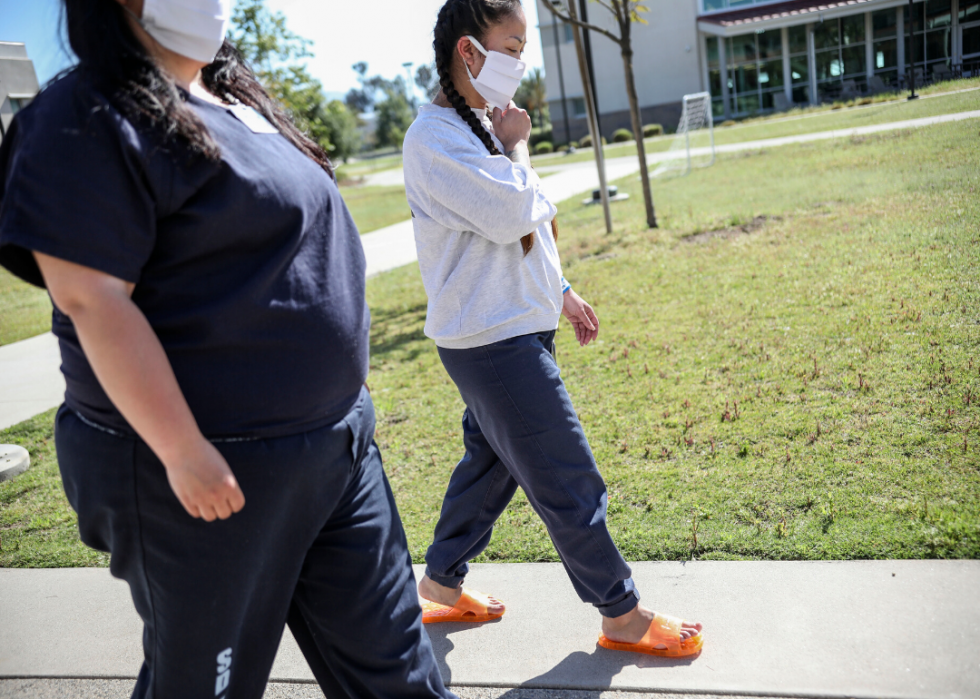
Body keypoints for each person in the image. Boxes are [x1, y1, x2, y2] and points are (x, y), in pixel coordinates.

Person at [0, 1, 456, 696]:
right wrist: (183, 449)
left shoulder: (236, 96)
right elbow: (93, 299)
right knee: (205, 685)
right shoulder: (85, 116)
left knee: (399, 671)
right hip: (204, 471)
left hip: (334, 448)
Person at [401, 0, 704, 658]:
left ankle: (438, 587)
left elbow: (521, 232)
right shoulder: (437, 140)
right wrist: (520, 147)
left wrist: (561, 292)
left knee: (488, 469)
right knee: (567, 474)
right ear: (467, 52)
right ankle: (621, 613)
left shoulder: (478, 125)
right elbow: (515, 209)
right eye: (511, 45)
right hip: (492, 342)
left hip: (511, 329)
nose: (521, 60)